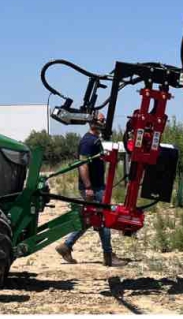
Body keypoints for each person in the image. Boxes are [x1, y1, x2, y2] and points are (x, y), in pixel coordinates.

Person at [55, 111, 126, 267]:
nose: (104, 122)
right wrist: (88, 187)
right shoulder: (87, 142)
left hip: (97, 186)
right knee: (103, 217)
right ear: (93, 122)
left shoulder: (96, 140)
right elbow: (83, 165)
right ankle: (108, 256)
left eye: (104, 120)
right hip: (93, 188)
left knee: (90, 219)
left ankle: (66, 246)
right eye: (101, 120)